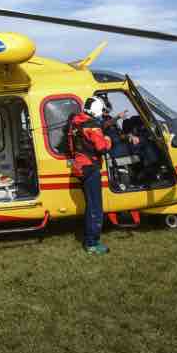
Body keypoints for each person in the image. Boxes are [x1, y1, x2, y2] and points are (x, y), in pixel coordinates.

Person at [69, 96, 113, 255]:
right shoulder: (93, 126)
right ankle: (92, 243)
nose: (101, 114)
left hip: (79, 167)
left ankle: (90, 239)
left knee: (90, 205)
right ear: (96, 109)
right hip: (90, 168)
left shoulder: (76, 122)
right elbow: (102, 148)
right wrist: (108, 140)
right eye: (101, 110)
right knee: (95, 207)